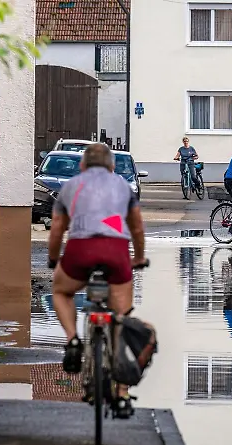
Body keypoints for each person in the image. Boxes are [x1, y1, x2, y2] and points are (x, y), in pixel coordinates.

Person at [47, 142, 147, 418]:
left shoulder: (70, 186)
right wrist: (138, 257)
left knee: (61, 291)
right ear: (112, 166)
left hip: (80, 250)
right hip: (116, 253)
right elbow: (137, 227)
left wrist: (54, 259)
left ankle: (72, 340)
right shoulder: (123, 187)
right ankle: (123, 395)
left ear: (82, 165)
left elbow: (57, 229)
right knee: (122, 319)